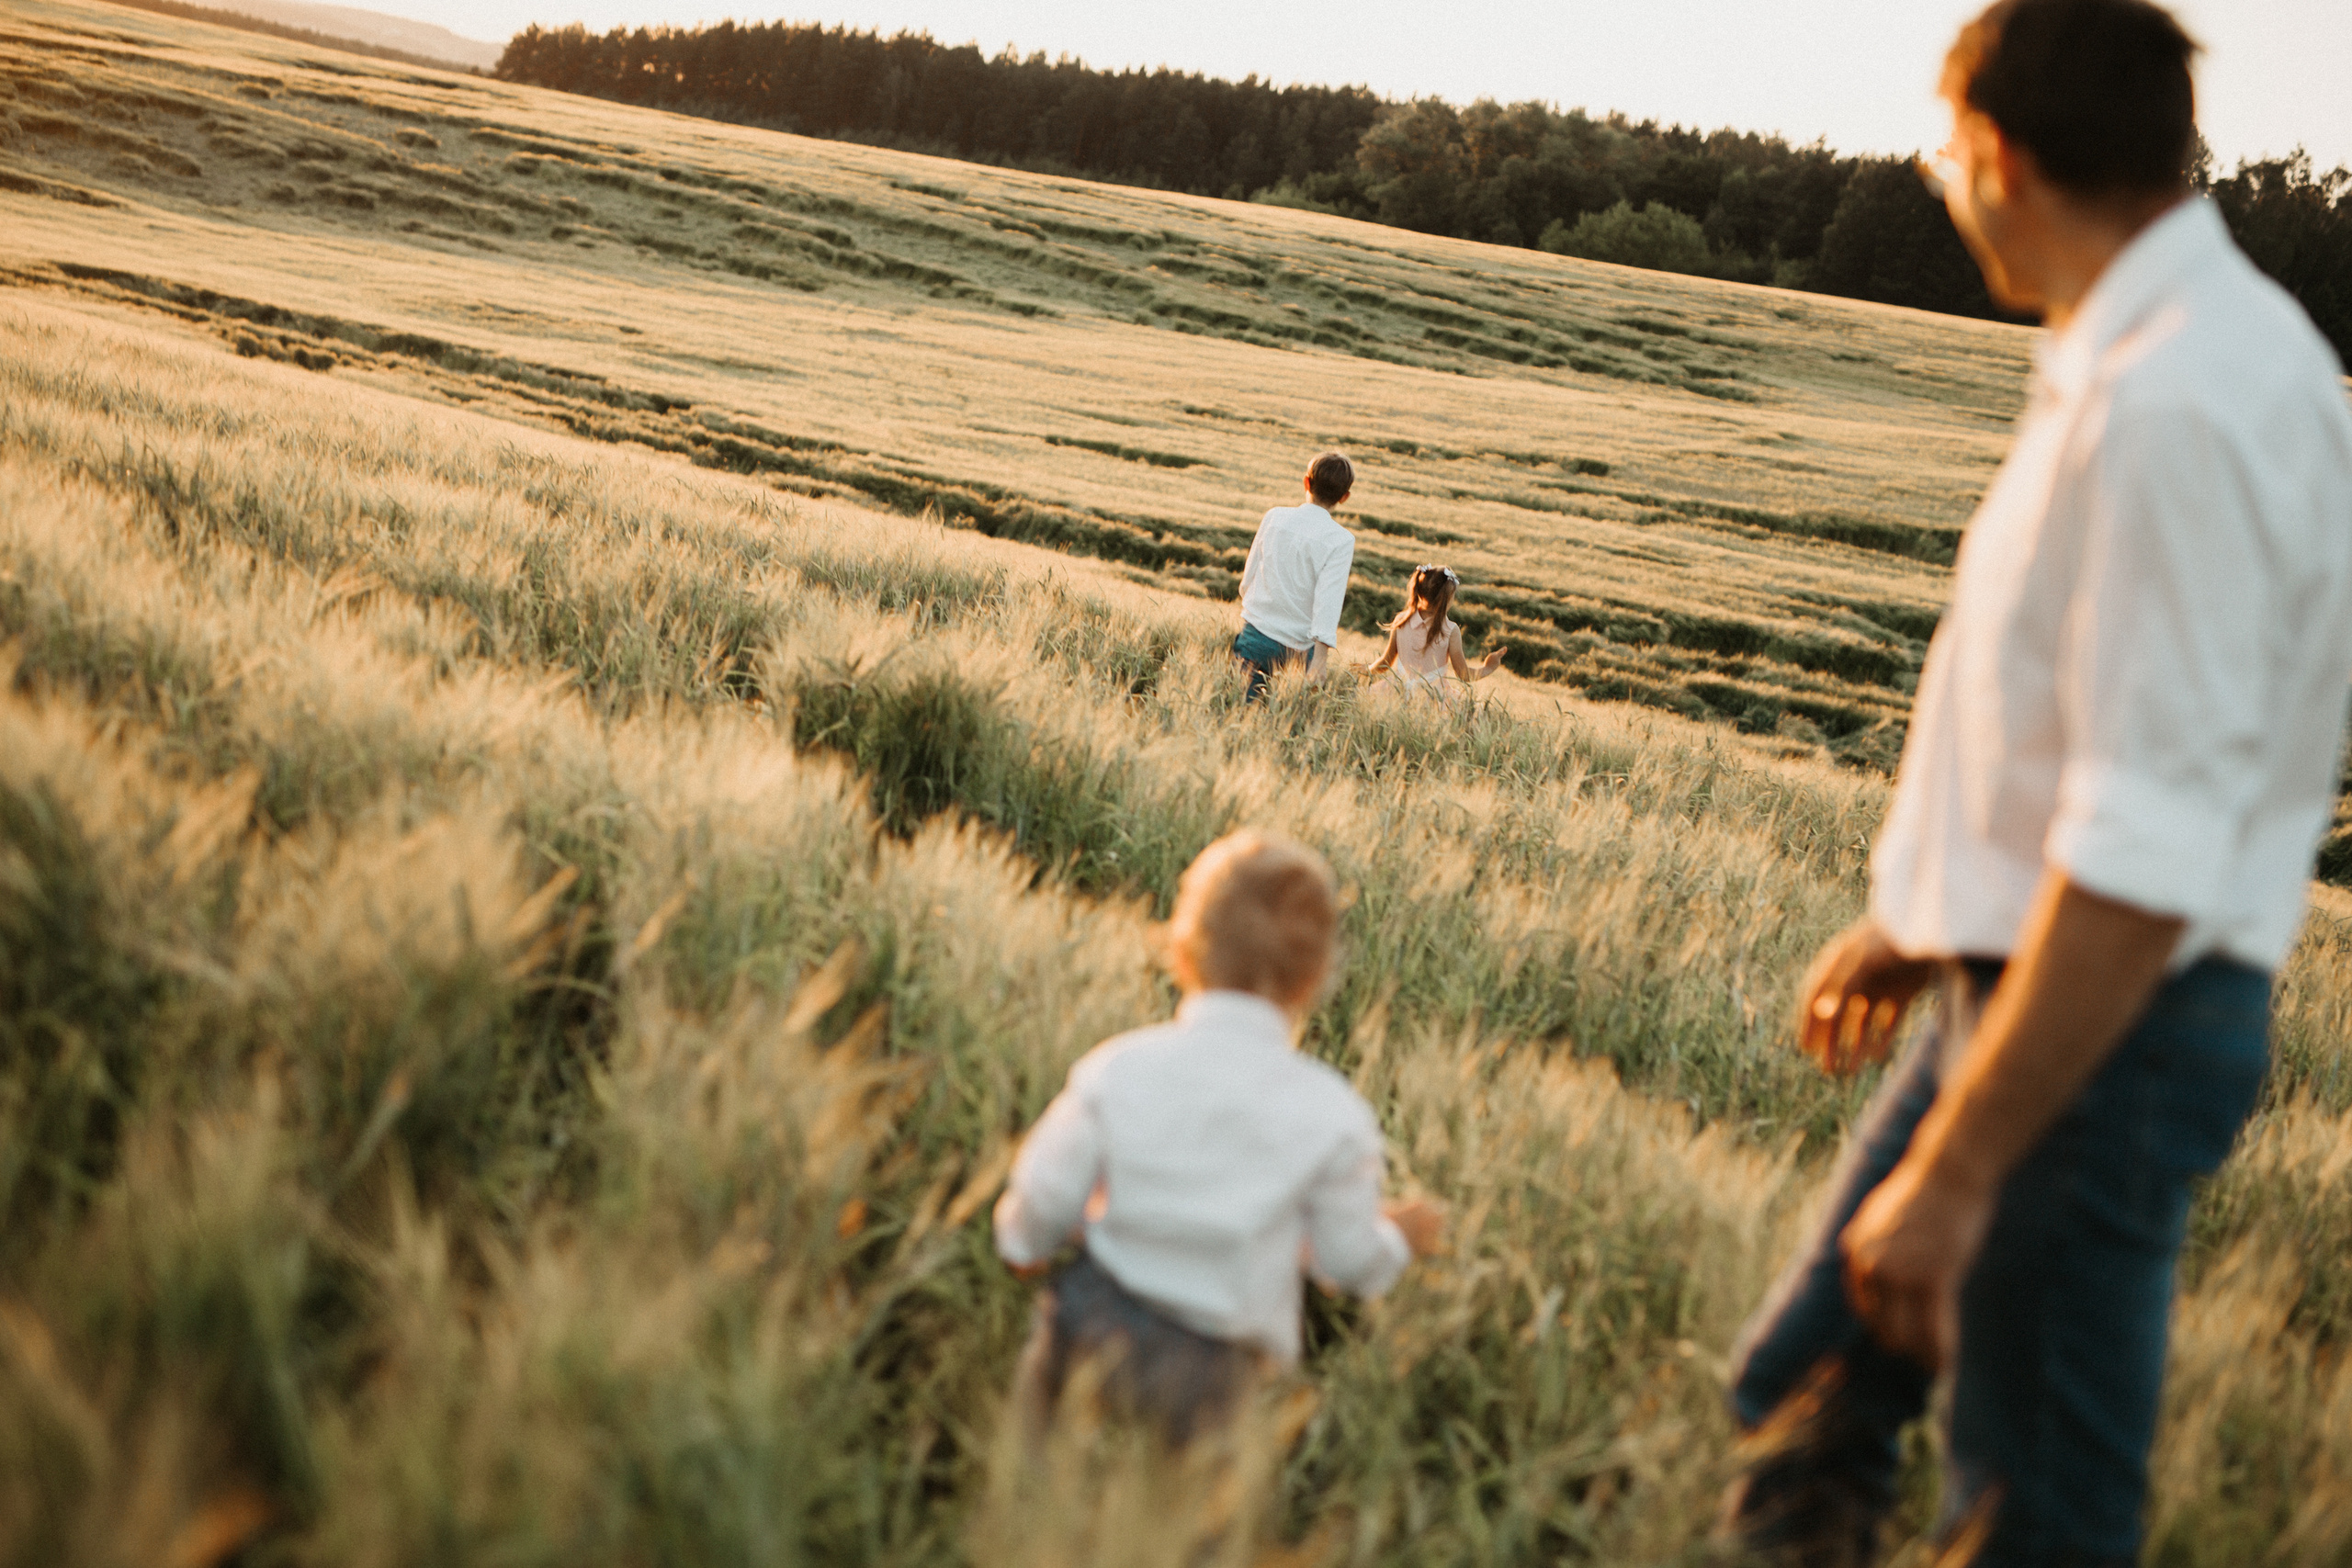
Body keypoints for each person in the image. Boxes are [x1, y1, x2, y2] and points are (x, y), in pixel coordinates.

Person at [1713, 2, 2352, 1564]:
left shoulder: (2177, 402)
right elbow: (2086, 723)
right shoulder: (2166, 357)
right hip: (2033, 980)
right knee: (1803, 1387)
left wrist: (1960, 1165)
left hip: (2101, 1023)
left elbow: (2150, 838)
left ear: (1997, 151)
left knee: (2037, 1511)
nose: (1944, 181)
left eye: (1946, 150)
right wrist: (1922, 917)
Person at [993, 830, 1445, 1447]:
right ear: (1312, 980)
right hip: (1211, 1373)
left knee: (1033, 1483)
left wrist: (1024, 1243)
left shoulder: (1119, 1067)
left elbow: (1045, 1193)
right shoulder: (1333, 1115)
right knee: (1190, 1534)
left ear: (1182, 954)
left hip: (1086, 1324)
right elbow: (1348, 1260)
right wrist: (1398, 1235)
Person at [1232, 453, 1357, 702]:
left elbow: (1247, 580)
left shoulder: (1274, 517)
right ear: (1344, 497)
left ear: (1306, 483)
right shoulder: (1341, 540)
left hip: (1256, 635)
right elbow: (1328, 602)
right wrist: (1320, 661)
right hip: (1300, 650)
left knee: (1239, 714)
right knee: (1290, 726)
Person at [1355, 564, 1509, 704]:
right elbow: (1464, 675)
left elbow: (1385, 663)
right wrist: (1489, 667)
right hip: (1434, 699)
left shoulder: (1401, 620)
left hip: (1397, 694)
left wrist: (1366, 669)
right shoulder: (1450, 630)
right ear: (1447, 598)